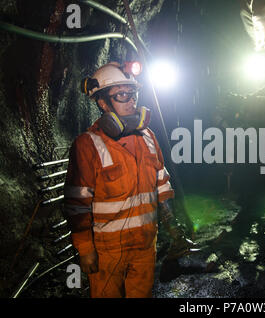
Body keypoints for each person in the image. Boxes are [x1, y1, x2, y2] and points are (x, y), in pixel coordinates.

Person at [63, 62, 193, 298]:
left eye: (132, 93)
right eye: (122, 95)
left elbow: (161, 185)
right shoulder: (88, 144)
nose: (131, 100)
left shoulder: (148, 137)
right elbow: (76, 203)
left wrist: (173, 227)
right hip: (107, 251)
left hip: (145, 245)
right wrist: (85, 250)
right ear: (103, 103)